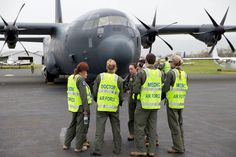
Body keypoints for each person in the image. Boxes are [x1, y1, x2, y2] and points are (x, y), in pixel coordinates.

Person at [130, 53, 163, 157]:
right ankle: (152, 150)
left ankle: (141, 150)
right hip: (155, 104)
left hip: (143, 104)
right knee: (152, 128)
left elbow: (135, 89)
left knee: (139, 127)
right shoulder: (159, 73)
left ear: (146, 61)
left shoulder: (142, 73)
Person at [91, 59, 123, 156]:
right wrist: (119, 103)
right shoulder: (119, 79)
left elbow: (95, 92)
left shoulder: (100, 77)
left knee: (100, 130)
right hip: (114, 107)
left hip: (102, 107)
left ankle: (97, 150)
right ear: (115, 67)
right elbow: (120, 95)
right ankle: (117, 149)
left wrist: (98, 100)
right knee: (116, 129)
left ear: (106, 67)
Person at [63, 62, 93, 152]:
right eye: (86, 71)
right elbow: (84, 96)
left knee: (72, 125)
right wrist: (86, 110)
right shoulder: (80, 80)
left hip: (73, 106)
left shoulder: (71, 77)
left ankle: (66, 144)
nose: (87, 73)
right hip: (81, 107)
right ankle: (78, 147)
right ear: (82, 71)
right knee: (81, 127)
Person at [162, 54, 188, 153]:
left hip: (172, 103)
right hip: (180, 102)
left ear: (174, 62)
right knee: (180, 125)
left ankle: (177, 147)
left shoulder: (171, 73)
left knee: (174, 126)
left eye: (170, 62)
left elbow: (165, 88)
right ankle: (182, 145)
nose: (169, 63)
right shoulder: (184, 73)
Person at [124, 63, 138, 141]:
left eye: (132, 69)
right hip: (131, 100)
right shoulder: (129, 76)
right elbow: (125, 83)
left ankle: (141, 134)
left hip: (138, 99)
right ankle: (131, 133)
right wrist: (127, 89)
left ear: (136, 69)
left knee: (140, 118)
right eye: (129, 69)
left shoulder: (140, 76)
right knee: (131, 117)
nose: (130, 71)